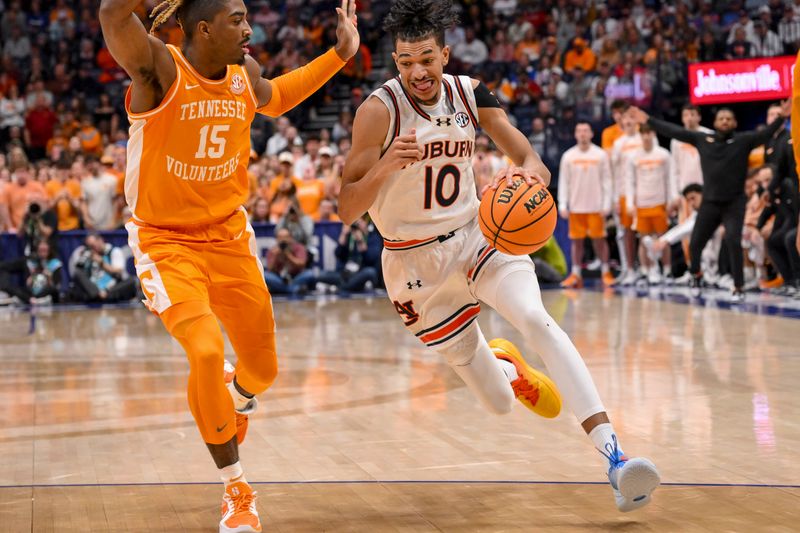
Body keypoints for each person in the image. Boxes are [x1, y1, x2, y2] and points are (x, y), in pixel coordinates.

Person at [339, 0, 659, 513]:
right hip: (414, 267)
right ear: (395, 63)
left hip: (476, 237)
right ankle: (509, 369)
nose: (416, 71)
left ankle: (616, 459)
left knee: (537, 318)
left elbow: (530, 158)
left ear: (444, 54)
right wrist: (383, 167)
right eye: (405, 62)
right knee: (498, 403)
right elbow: (345, 207)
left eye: (425, 58)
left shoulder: (471, 94)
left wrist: (527, 179)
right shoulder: (379, 111)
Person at [99, 0, 359, 530]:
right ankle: (237, 490)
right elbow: (110, 13)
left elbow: (280, 97)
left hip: (230, 237)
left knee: (263, 370)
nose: (249, 28)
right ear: (202, 27)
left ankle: (236, 397)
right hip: (166, 241)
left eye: (247, 18)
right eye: (237, 19)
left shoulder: (246, 73)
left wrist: (340, 53)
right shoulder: (160, 68)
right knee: (205, 349)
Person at [629, 101, 791, 302]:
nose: (725, 121)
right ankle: (696, 275)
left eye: (728, 119)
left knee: (733, 240)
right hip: (710, 202)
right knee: (695, 243)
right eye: (721, 118)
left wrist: (783, 117)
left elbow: (766, 133)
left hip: (734, 202)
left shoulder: (744, 140)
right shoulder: (702, 138)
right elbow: (674, 131)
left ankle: (738, 287)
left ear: (734, 123)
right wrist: (648, 120)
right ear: (714, 122)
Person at [558, 122, 614, 288]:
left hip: (596, 206)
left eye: (585, 131)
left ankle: (606, 272)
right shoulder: (568, 156)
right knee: (577, 242)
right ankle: (576, 274)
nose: (582, 134)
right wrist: (563, 204)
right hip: (576, 206)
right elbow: (564, 182)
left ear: (591, 134)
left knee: (600, 240)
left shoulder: (600, 155)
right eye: (579, 131)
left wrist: (606, 203)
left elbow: (607, 181)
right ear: (575, 134)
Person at [625, 123, 675, 284]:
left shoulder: (663, 154)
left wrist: (671, 198)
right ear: (640, 135)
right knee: (643, 239)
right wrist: (630, 203)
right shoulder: (634, 156)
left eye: (649, 133)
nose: (646, 136)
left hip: (660, 202)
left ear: (654, 134)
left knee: (663, 238)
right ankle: (645, 270)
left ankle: (666, 270)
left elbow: (670, 178)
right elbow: (630, 182)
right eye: (643, 133)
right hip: (641, 203)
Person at [610, 109, 642, 285]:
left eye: (631, 118)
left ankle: (648, 269)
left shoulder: (643, 138)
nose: (628, 121)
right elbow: (614, 173)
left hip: (644, 192)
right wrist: (615, 198)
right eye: (625, 118)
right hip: (623, 192)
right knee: (626, 233)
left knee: (646, 233)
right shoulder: (618, 143)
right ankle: (629, 268)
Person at [316, 216, 379, 293]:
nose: (357, 227)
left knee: (370, 272)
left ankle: (338, 288)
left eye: (359, 223)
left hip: (360, 273)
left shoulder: (371, 237)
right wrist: (344, 234)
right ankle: (349, 286)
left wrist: (360, 241)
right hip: (344, 274)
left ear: (366, 223)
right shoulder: (348, 237)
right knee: (318, 275)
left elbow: (371, 258)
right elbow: (338, 254)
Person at [71, 232, 137, 303]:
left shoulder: (114, 251)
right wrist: (84, 259)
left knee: (131, 281)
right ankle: (98, 294)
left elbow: (118, 271)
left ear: (100, 240)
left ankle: (104, 296)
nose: (93, 248)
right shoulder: (90, 254)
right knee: (77, 273)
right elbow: (81, 271)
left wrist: (102, 263)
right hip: (95, 288)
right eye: (90, 246)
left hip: (112, 287)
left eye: (93, 245)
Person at [0, 239, 63, 305]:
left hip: (47, 292)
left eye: (44, 251)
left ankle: (37, 300)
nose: (42, 253)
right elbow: (28, 284)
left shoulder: (55, 264)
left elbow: (55, 286)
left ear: (49, 250)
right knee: (16, 289)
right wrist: (32, 276)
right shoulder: (31, 262)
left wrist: (49, 277)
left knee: (54, 291)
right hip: (32, 293)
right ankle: (28, 299)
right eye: (40, 251)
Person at [264, 228, 316, 295]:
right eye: (280, 237)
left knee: (309, 274)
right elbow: (270, 269)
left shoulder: (299, 247)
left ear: (290, 238)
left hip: (296, 278)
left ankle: (283, 290)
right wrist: (275, 256)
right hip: (279, 279)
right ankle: (292, 289)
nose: (283, 239)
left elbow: (302, 264)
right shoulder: (273, 251)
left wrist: (288, 255)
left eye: (285, 237)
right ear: (276, 239)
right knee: (265, 275)